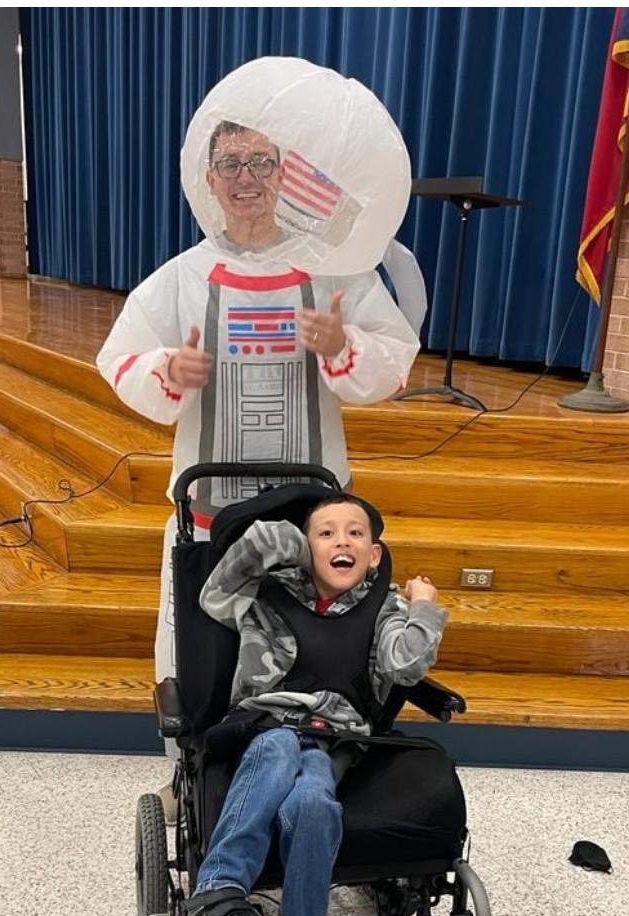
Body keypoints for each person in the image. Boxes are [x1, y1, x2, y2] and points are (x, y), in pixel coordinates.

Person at [94, 120, 420, 815]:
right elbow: (118, 359)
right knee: (197, 654)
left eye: (260, 162)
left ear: (282, 173)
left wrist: (343, 344)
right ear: (208, 180)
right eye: (231, 163)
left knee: (324, 654)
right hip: (211, 519)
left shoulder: (334, 272)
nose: (246, 178)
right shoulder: (180, 278)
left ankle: (320, 780)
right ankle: (193, 782)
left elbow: (395, 356)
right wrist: (168, 370)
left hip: (319, 528)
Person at [180, 492, 447, 916]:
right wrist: (291, 544)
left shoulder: (384, 608)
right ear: (305, 546)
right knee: (279, 746)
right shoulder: (264, 592)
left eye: (355, 533)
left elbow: (408, 666)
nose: (341, 541)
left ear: (374, 553)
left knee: (315, 806)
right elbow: (215, 596)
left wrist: (423, 607)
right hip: (263, 722)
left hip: (335, 736)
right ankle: (215, 895)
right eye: (326, 533)